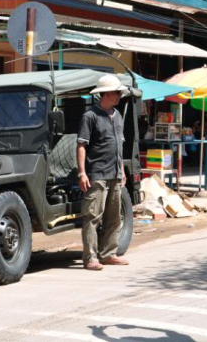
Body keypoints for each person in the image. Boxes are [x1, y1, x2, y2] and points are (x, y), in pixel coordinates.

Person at [76, 75, 130, 271]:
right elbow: (81, 145)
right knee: (93, 217)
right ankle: (90, 257)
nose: (119, 96)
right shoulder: (90, 116)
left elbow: (119, 146)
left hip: (115, 174)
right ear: (106, 93)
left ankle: (108, 254)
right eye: (117, 92)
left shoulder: (117, 115)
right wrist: (82, 173)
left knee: (114, 217)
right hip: (96, 174)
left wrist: (122, 169)